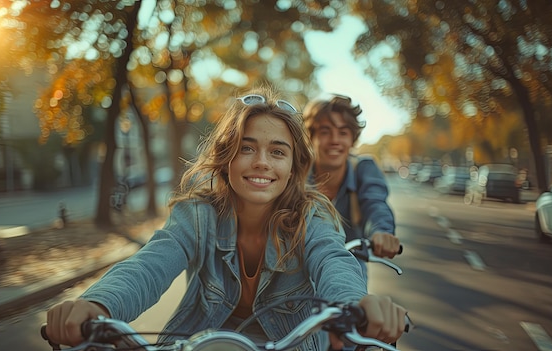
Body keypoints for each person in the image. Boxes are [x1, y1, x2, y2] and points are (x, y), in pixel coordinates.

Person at [44, 86, 407, 351]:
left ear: (294, 166)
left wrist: (357, 302)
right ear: (226, 157)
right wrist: (97, 304)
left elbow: (332, 257)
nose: (262, 161)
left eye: (277, 151)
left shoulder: (311, 215)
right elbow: (150, 264)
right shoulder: (197, 214)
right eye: (246, 147)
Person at [303, 93, 401, 275]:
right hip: (299, 276)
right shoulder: (296, 174)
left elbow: (375, 204)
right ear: (311, 137)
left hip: (349, 270)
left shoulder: (363, 169)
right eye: (325, 131)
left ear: (353, 139)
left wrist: (382, 232)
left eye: (343, 132)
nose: (334, 140)